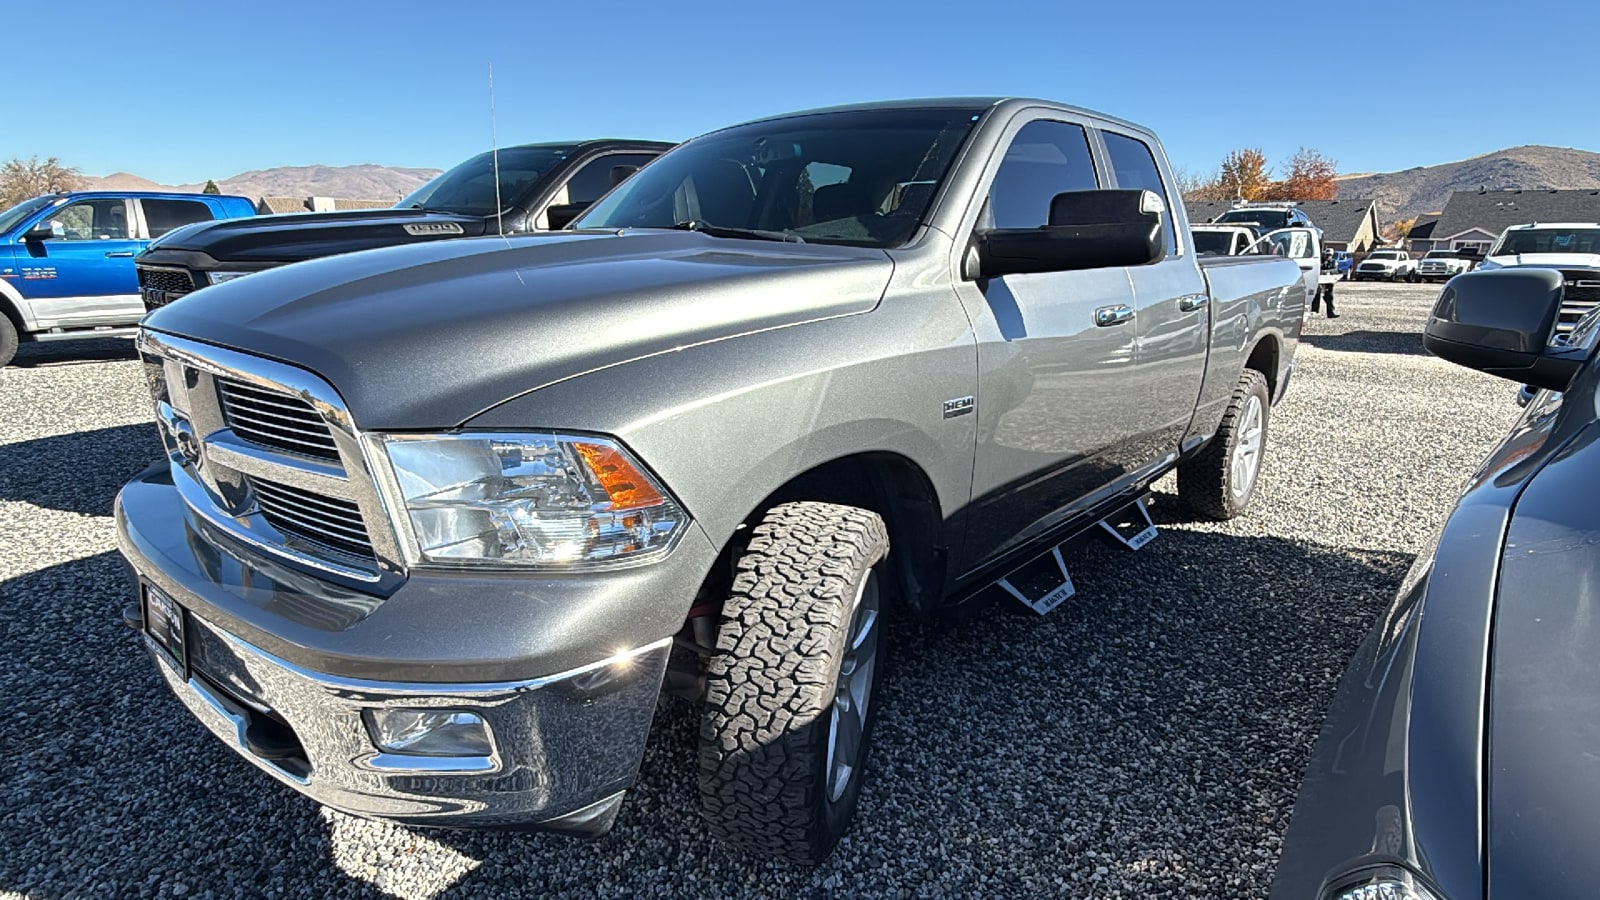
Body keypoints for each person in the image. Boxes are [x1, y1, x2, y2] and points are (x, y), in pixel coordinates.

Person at [1311, 246, 1339, 318]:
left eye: (1329, 255)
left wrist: (1327, 272)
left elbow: (1335, 270)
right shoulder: (1321, 261)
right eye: (1327, 255)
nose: (1328, 256)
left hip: (1329, 281)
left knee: (1329, 296)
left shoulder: (1334, 262)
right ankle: (1314, 311)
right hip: (1320, 280)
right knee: (1316, 295)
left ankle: (1330, 312)